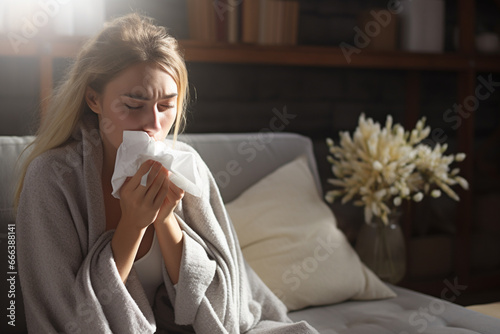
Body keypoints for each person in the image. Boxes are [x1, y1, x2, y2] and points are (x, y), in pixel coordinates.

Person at [15, 13, 317, 333]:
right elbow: (69, 316)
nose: (153, 125)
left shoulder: (188, 165)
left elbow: (224, 308)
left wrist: (166, 218)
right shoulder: (53, 177)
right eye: (134, 105)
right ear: (94, 98)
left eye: (166, 106)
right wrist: (132, 226)